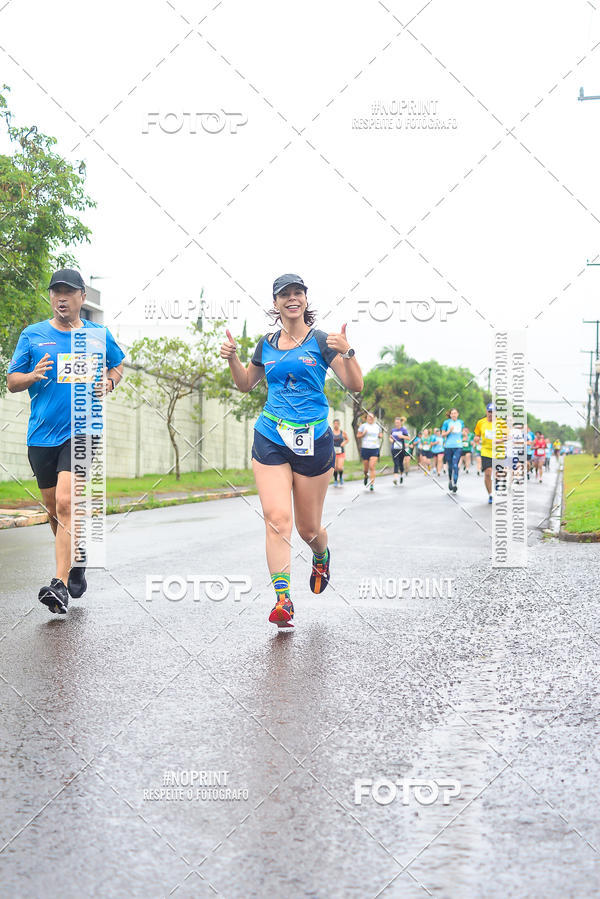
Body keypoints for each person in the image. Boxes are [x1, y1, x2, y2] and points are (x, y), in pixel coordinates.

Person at [220, 273, 363, 628]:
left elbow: (355, 384)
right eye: (285, 294)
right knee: (277, 520)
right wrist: (232, 359)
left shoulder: (322, 341)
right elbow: (245, 385)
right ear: (276, 303)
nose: (292, 298)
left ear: (305, 300)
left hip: (314, 440)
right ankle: (283, 599)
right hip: (271, 436)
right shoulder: (265, 344)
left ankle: (321, 555)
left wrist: (348, 351)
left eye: (297, 292)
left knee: (308, 529)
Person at [6, 268, 125, 614]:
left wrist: (110, 383)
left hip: (83, 431)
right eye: (56, 291)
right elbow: (12, 381)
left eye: (68, 292)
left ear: (81, 298)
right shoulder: (32, 335)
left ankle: (58, 584)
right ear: (50, 296)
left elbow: (118, 366)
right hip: (41, 435)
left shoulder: (99, 335)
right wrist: (31, 375)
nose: (61, 297)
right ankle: (78, 555)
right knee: (53, 510)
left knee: (65, 502)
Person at [473, 403, 506, 504]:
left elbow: (508, 436)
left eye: (493, 412)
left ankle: (498, 485)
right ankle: (491, 494)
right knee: (488, 472)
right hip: (486, 451)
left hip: (498, 451)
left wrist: (499, 440)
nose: (491, 414)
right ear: (486, 412)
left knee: (499, 474)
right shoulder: (480, 422)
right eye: (489, 412)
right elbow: (477, 435)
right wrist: (476, 438)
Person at [357, 412, 383, 492]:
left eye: (372, 417)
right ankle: (365, 476)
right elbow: (358, 436)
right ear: (367, 418)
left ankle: (372, 484)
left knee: (372, 466)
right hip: (365, 448)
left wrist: (380, 436)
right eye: (369, 417)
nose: (370, 418)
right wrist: (363, 434)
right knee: (365, 469)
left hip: (375, 448)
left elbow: (381, 435)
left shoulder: (377, 426)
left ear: (374, 418)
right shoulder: (363, 426)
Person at [441, 408, 465, 493]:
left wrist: (464, 435)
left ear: (458, 414)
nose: (454, 415)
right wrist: (449, 431)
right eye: (452, 413)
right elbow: (443, 435)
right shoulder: (446, 422)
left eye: (455, 413)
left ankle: (455, 484)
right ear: (450, 415)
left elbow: (463, 434)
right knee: (450, 466)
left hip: (458, 446)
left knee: (455, 465)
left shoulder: (461, 422)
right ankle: (450, 480)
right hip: (448, 446)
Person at [389, 416, 409, 485]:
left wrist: (402, 436)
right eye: (396, 422)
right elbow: (390, 438)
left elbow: (408, 438)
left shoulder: (403, 430)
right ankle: (395, 478)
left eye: (398, 422)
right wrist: (391, 440)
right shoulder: (393, 430)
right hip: (394, 449)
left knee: (400, 463)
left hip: (401, 449)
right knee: (396, 463)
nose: (397, 424)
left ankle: (401, 475)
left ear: (401, 422)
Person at [332, 419, 349, 486]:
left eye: (337, 424)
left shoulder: (342, 432)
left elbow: (347, 439)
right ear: (333, 424)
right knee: (335, 467)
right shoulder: (331, 432)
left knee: (340, 467)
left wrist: (343, 443)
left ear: (339, 424)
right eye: (335, 423)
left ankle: (341, 477)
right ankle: (335, 480)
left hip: (341, 452)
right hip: (333, 452)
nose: (336, 425)